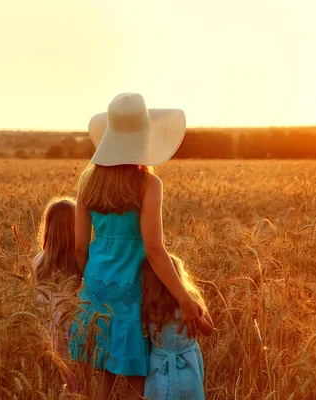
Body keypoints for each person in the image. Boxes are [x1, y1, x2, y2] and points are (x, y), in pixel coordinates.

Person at [69, 92, 204, 400]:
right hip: (132, 292)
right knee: (134, 381)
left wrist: (86, 280)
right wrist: (183, 298)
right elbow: (154, 249)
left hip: (95, 289)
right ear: (144, 137)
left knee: (97, 381)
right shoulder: (148, 184)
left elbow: (79, 247)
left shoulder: (87, 181)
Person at [141, 254, 214, 400]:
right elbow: (209, 330)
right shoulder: (148, 304)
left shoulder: (146, 304)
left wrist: (195, 314)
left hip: (163, 368)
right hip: (184, 365)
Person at [33, 197, 81, 390]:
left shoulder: (38, 262)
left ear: (48, 227)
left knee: (51, 377)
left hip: (46, 328)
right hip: (71, 329)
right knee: (73, 378)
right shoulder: (80, 262)